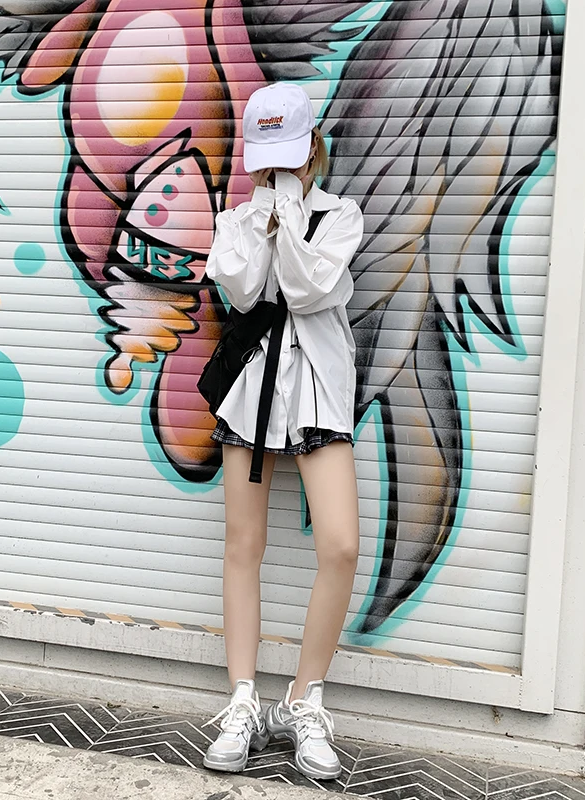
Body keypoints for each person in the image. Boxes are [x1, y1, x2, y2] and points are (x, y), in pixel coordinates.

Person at [200, 82, 364, 781]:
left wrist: (291, 218)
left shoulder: (339, 215)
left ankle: (303, 700)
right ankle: (242, 701)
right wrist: (263, 222)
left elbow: (305, 291)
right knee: (244, 545)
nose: (278, 171)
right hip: (253, 392)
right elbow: (242, 291)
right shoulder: (236, 219)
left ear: (312, 148)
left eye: (289, 157)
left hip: (319, 391)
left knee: (341, 544)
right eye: (268, 160)